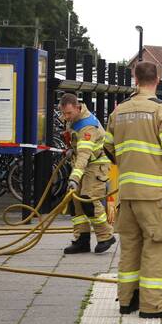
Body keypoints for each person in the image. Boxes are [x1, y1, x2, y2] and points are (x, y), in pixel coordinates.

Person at [104, 61, 162, 319]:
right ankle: (152, 305)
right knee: (159, 244)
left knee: (130, 246)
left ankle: (127, 300)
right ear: (157, 80)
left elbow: (108, 150)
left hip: (126, 193)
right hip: (156, 196)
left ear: (134, 79)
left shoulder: (118, 112)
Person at [58, 93, 116, 254]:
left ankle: (106, 236)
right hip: (82, 164)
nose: (65, 117)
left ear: (77, 108)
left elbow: (84, 154)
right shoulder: (73, 119)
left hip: (96, 165)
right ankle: (81, 240)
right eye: (63, 113)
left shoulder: (88, 126)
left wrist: (74, 178)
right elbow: (76, 145)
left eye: (69, 113)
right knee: (75, 203)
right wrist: (70, 149)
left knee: (88, 199)